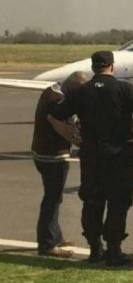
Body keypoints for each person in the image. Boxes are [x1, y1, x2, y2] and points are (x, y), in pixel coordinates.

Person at [49, 51, 133, 266]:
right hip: (119, 155)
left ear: (94, 67)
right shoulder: (123, 89)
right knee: (118, 203)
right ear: (112, 66)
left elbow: (53, 116)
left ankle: (95, 248)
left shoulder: (82, 91)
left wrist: (74, 138)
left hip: (92, 154)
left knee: (92, 201)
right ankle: (114, 250)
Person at [33, 71, 89, 258]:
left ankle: (55, 236)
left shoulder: (53, 90)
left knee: (54, 197)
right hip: (52, 155)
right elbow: (59, 125)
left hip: (43, 151)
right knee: (52, 198)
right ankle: (47, 244)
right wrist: (81, 142)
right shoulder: (58, 99)